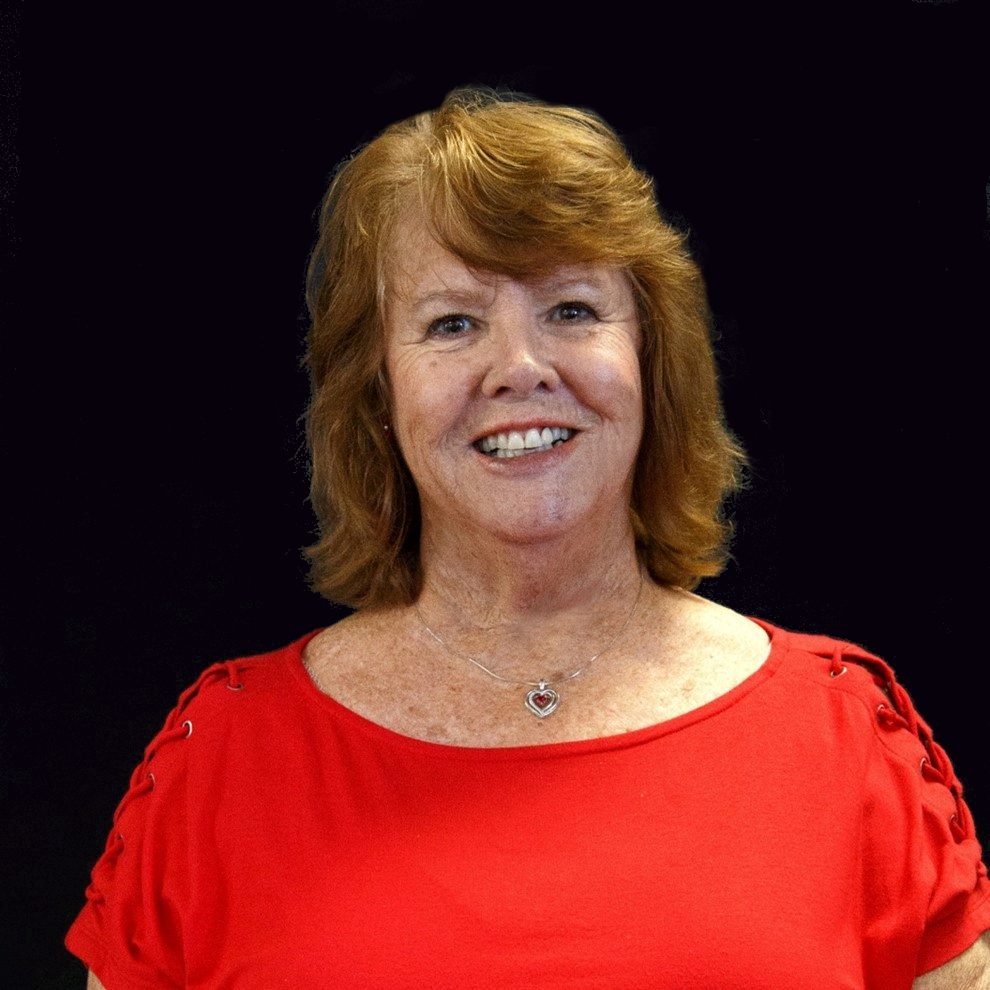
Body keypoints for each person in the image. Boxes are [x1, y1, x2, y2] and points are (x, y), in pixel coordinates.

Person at [67, 89, 989, 989]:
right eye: (452, 322)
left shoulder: (842, 741)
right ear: (378, 393)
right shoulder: (222, 763)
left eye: (573, 310)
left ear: (652, 364)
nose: (518, 367)